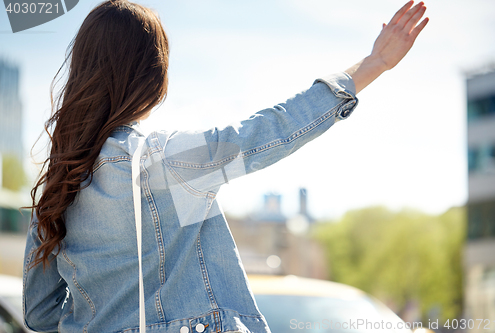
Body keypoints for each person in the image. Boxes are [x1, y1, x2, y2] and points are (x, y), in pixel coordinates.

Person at [22, 0, 428, 332]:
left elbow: (39, 314)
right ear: (152, 75)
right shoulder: (164, 163)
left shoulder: (58, 186)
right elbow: (274, 129)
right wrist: (375, 62)